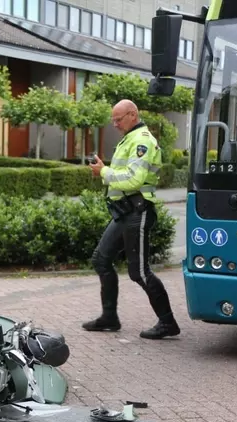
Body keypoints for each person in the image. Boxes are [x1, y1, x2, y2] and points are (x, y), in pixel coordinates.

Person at [83, 99, 180, 339]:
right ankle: (109, 318)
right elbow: (124, 175)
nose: (114, 124)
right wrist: (104, 170)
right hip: (124, 213)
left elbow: (134, 180)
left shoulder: (142, 141)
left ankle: (168, 323)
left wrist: (103, 172)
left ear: (133, 115)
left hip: (137, 212)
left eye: (118, 119)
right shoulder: (130, 138)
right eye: (113, 120)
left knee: (139, 272)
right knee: (101, 260)